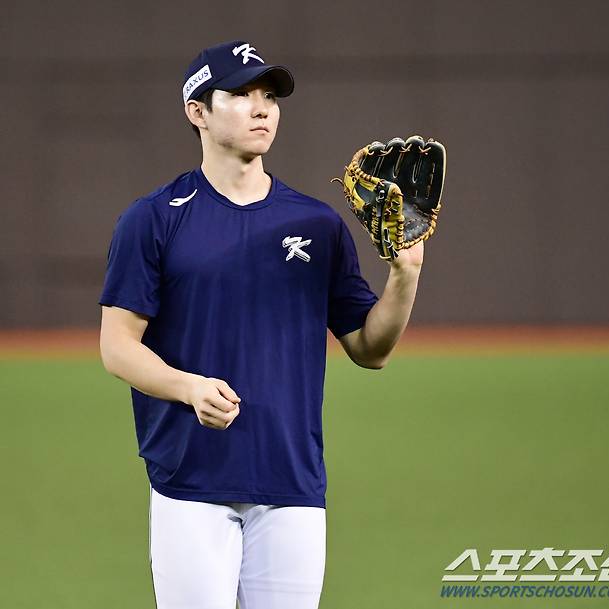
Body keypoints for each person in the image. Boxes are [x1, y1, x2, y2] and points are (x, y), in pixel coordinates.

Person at [99, 40, 425, 609]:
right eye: (241, 94)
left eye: (269, 96)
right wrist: (189, 387)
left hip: (292, 481)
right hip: (191, 482)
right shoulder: (153, 219)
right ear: (196, 111)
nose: (262, 108)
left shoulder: (317, 223)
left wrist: (405, 273)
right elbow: (117, 347)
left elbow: (370, 349)